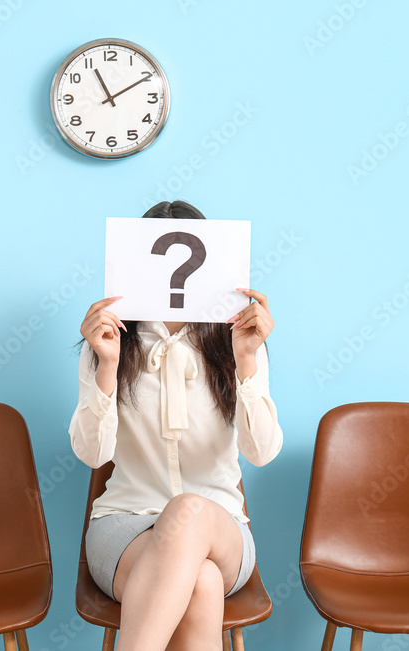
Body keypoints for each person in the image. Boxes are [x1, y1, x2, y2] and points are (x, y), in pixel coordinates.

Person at [69, 200, 284, 650]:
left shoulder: (236, 341)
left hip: (220, 526)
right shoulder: (111, 342)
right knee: (200, 581)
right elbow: (93, 455)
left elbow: (261, 451)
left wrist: (246, 359)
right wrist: (106, 366)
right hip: (125, 527)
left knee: (187, 510)